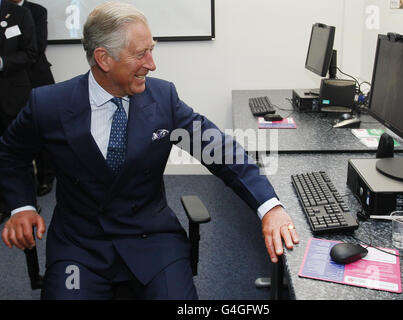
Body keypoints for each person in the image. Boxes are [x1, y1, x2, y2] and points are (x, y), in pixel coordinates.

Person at [0, 2, 298, 300]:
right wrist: (21, 206)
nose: (152, 64)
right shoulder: (48, 104)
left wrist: (269, 206)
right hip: (80, 247)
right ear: (103, 58)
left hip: (152, 241)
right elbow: (10, 153)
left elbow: (218, 149)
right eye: (140, 54)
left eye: (151, 50)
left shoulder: (163, 98)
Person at [7, 0, 56, 196]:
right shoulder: (4, 12)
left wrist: (8, 60)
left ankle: (46, 175)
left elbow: (37, 46)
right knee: (15, 131)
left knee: (41, 128)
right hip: (10, 83)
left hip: (36, 78)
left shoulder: (36, 11)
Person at [0, 0, 37, 223]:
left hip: (12, 96)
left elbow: (31, 53)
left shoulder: (19, 14)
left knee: (18, 152)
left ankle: (25, 205)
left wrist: (2, 62)